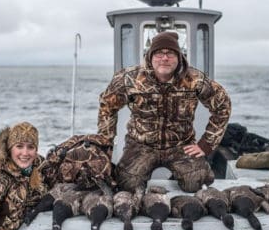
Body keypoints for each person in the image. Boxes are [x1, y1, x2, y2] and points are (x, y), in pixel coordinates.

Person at [98, 31, 231, 193]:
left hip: (181, 145)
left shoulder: (195, 79)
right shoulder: (129, 78)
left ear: (179, 58)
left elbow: (222, 105)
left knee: (197, 182)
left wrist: (206, 144)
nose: (165, 58)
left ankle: (179, 175)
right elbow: (107, 106)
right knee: (127, 186)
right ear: (150, 57)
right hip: (140, 145)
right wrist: (105, 145)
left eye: (170, 53)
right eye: (159, 53)